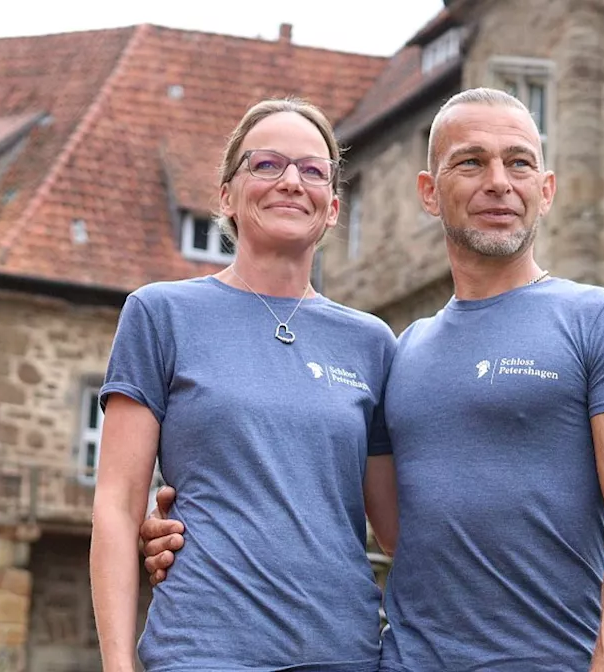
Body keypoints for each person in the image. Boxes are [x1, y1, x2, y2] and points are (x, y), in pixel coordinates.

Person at [139, 88, 604, 671]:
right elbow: (384, 520)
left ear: (545, 190)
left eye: (519, 161)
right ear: (429, 192)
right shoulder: (401, 354)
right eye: (470, 161)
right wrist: (191, 528)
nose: (498, 181)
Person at [90, 97, 399, 672]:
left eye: (312, 170)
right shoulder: (160, 315)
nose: (290, 181)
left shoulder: (373, 343)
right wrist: (117, 663)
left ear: (332, 206)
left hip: (343, 652)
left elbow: (399, 529)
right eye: (266, 164)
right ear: (228, 195)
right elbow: (116, 504)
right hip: (203, 650)